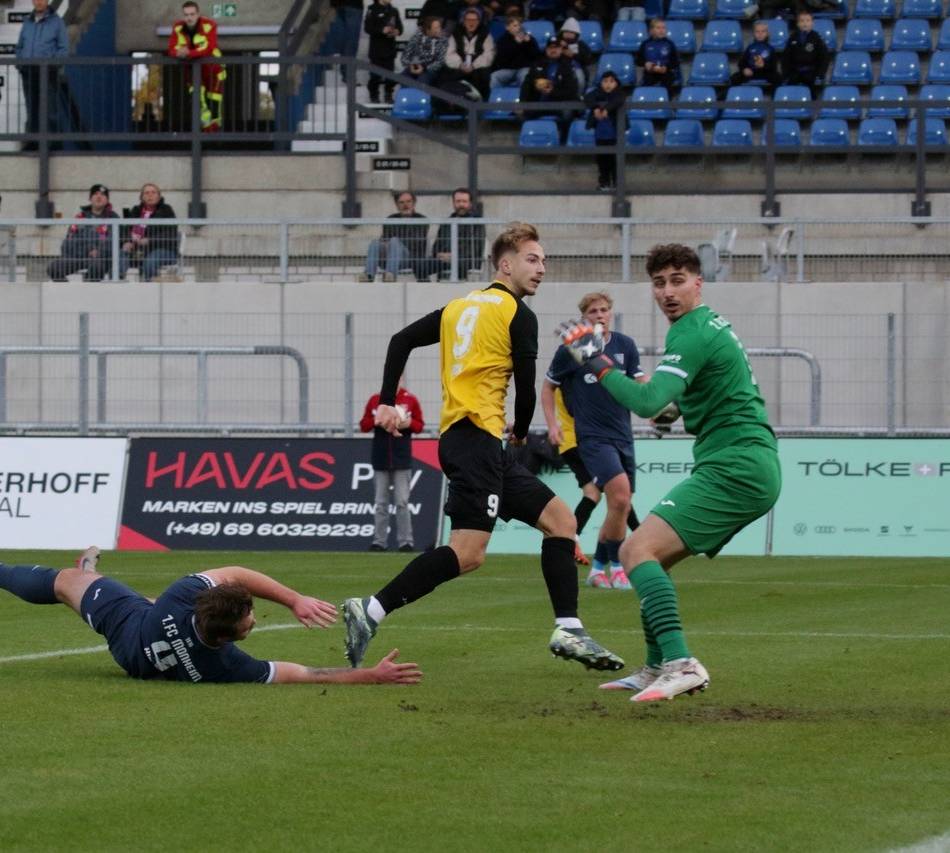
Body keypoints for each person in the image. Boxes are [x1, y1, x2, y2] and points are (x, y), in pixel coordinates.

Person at [342, 222, 624, 673]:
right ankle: (370, 609)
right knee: (469, 553)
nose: (541, 269)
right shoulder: (518, 314)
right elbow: (528, 390)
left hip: (471, 440)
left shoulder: (458, 306)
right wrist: (521, 431)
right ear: (505, 265)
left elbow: (400, 341)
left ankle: (569, 629)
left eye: (545, 261)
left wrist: (389, 402)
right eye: (533, 259)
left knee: (561, 520)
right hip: (476, 438)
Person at [558, 243, 781, 702]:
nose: (668, 292)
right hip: (743, 461)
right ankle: (657, 665)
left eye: (678, 280)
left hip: (736, 465)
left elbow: (646, 401)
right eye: (659, 283)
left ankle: (681, 663)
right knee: (649, 558)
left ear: (698, 283)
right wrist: (677, 409)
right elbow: (680, 399)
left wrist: (594, 360)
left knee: (635, 549)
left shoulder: (691, 332)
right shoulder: (705, 326)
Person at [0, 546, 422, 686]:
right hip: (134, 657)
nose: (254, 619)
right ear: (227, 637)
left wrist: (293, 599)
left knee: (66, 584)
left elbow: (235, 574)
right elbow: (306, 674)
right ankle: (91, 574)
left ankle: (87, 575)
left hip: (130, 626)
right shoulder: (224, 665)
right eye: (250, 618)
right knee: (88, 584)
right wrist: (370, 675)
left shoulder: (181, 597)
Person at [543, 291, 643, 592]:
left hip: (623, 435)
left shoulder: (625, 346)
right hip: (592, 438)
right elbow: (548, 388)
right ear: (584, 316)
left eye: (604, 310)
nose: (599, 315)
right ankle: (620, 565)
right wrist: (553, 425)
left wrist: (655, 407)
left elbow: (640, 383)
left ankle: (598, 568)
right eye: (593, 311)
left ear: (611, 312)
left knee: (620, 506)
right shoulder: (572, 350)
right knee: (620, 497)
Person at [549, 385, 643, 567]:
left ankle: (570, 543)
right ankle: (641, 540)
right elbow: (579, 409)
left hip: (573, 443)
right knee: (617, 494)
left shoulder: (568, 379)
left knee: (593, 494)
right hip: (580, 443)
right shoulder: (572, 382)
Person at [359, 380, 425, 551]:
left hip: (402, 458)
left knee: (402, 502)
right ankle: (379, 542)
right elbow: (363, 425)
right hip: (380, 458)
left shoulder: (410, 399)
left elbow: (419, 425)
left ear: (402, 379)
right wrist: (377, 420)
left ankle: (406, 542)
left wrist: (408, 423)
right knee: (380, 502)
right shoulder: (375, 400)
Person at [167, 1, 226, 132]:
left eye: (192, 14)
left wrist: (188, 53)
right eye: (186, 15)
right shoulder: (177, 27)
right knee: (197, 100)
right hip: (192, 70)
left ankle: (215, 132)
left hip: (213, 69)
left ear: (198, 14)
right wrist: (179, 52)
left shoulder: (209, 25)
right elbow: (171, 49)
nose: (189, 18)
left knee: (214, 102)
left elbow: (209, 48)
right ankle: (206, 130)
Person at [15, 0, 68, 141]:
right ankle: (33, 142)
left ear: (47, 1)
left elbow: (63, 49)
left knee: (50, 109)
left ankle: (53, 143)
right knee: (32, 109)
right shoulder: (27, 22)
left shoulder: (57, 22)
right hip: (28, 72)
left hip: (48, 72)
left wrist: (52, 66)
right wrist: (21, 65)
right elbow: (19, 47)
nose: (39, 2)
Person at [48, 184, 120, 282]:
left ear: (107, 200)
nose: (99, 197)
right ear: (90, 198)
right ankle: (67, 292)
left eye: (103, 195)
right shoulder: (80, 217)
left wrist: (99, 252)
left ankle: (85, 292)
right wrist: (87, 250)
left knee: (97, 268)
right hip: (77, 257)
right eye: (95, 194)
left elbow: (113, 243)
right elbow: (68, 243)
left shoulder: (113, 218)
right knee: (53, 267)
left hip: (100, 259)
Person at [360, 191, 430, 282]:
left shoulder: (421, 219)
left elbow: (416, 243)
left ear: (414, 203)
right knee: (375, 243)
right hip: (389, 257)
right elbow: (384, 238)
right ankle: (368, 275)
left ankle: (391, 275)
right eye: (401, 202)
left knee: (394, 241)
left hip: (410, 258)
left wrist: (395, 242)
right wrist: (388, 244)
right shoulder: (391, 219)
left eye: (409, 201)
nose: (405, 205)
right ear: (397, 205)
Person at [520, 38, 579, 140]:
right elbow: (526, 85)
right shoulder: (537, 65)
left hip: (559, 103)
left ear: (561, 49)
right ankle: (531, 139)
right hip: (540, 102)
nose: (553, 50)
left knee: (567, 112)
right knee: (522, 113)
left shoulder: (567, 66)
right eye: (550, 48)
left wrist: (553, 92)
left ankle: (564, 141)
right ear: (546, 50)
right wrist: (522, 103)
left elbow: (572, 91)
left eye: (556, 47)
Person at [120, 183, 179, 282]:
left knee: (151, 260)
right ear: (142, 197)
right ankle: (120, 283)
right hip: (138, 250)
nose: (150, 195)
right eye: (146, 193)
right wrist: (127, 242)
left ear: (159, 196)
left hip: (164, 250)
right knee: (121, 254)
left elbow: (171, 233)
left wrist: (150, 240)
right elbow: (126, 229)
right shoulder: (136, 210)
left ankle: (150, 287)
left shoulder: (166, 210)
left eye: (153, 192)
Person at [424, 187, 486, 281]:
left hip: (466, 261)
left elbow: (476, 247)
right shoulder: (446, 223)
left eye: (464, 201)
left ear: (470, 203)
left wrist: (453, 255)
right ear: (453, 203)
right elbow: (436, 246)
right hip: (444, 261)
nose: (461, 204)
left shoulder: (476, 222)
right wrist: (439, 254)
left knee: (456, 263)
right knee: (420, 265)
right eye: (458, 201)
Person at [440, 7, 496, 101]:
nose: (471, 22)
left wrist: (473, 65)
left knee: (484, 75)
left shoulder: (485, 34)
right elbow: (449, 54)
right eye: (468, 20)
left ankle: (478, 102)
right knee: (444, 75)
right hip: (460, 66)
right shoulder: (456, 33)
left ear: (479, 21)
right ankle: (449, 104)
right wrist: (460, 65)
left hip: (477, 68)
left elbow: (489, 55)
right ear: (464, 21)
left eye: (474, 20)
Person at [584, 70, 624, 190]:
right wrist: (596, 108)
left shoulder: (619, 94)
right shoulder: (597, 93)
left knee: (615, 160)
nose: (608, 84)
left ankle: (617, 184)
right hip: (600, 135)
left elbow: (619, 100)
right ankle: (604, 183)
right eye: (605, 81)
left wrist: (606, 109)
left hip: (615, 135)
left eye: (611, 81)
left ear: (616, 83)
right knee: (602, 161)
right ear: (600, 83)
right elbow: (588, 97)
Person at [782, 10, 828, 99]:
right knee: (790, 92)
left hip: (811, 72)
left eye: (807, 20)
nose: (805, 23)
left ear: (812, 23)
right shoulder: (793, 37)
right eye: (802, 21)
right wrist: (786, 74)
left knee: (812, 93)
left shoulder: (816, 38)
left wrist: (820, 74)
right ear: (797, 24)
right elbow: (786, 57)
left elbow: (824, 57)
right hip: (795, 71)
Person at [364, 0, 404, 103]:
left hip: (389, 48)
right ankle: (374, 96)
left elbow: (400, 28)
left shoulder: (394, 10)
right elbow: (368, 28)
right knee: (375, 75)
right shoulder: (372, 9)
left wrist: (397, 31)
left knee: (390, 75)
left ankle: (388, 95)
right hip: (376, 49)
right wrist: (382, 30)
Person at [489, 14, 540, 90]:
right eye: (515, 26)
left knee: (525, 76)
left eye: (519, 25)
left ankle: (524, 100)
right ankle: (494, 100)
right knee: (494, 76)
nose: (518, 28)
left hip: (523, 69)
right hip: (507, 70)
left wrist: (529, 43)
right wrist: (516, 44)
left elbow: (536, 55)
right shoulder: (502, 40)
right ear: (507, 27)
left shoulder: (528, 38)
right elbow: (501, 60)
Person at [731, 21, 782, 91]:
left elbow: (773, 66)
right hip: (752, 72)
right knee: (734, 78)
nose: (760, 34)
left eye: (763, 31)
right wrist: (744, 69)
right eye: (757, 32)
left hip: (765, 73)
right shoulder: (750, 47)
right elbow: (742, 63)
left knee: (778, 78)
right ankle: (734, 97)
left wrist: (764, 65)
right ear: (754, 33)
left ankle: (776, 98)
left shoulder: (770, 49)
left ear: (767, 33)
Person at [635, 18, 681, 95]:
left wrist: (666, 67)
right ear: (651, 31)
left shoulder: (669, 44)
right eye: (658, 28)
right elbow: (638, 60)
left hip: (665, 72)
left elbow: (675, 61)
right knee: (647, 85)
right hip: (650, 72)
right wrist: (645, 64)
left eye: (663, 28)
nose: (661, 30)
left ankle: (667, 103)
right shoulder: (645, 44)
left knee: (668, 83)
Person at [401, 16, 450, 86]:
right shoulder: (416, 37)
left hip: (430, 69)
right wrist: (411, 65)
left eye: (439, 27)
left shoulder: (443, 40)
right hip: (414, 66)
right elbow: (405, 57)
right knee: (403, 78)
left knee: (422, 80)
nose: (439, 30)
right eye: (436, 28)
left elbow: (440, 62)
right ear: (428, 30)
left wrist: (424, 68)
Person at [558, 17, 593, 95]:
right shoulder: (556, 42)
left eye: (571, 32)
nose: (568, 34)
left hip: (577, 68)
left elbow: (587, 60)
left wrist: (574, 55)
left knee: (580, 77)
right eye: (566, 31)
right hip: (559, 67)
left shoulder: (581, 45)